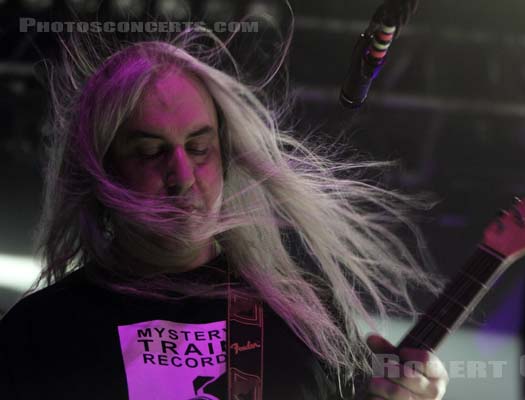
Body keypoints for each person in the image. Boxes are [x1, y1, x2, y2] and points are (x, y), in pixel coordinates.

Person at [0, 27, 448, 400]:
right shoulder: (41, 333)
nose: (182, 175)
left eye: (199, 148)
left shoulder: (305, 315)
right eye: (151, 151)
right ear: (102, 171)